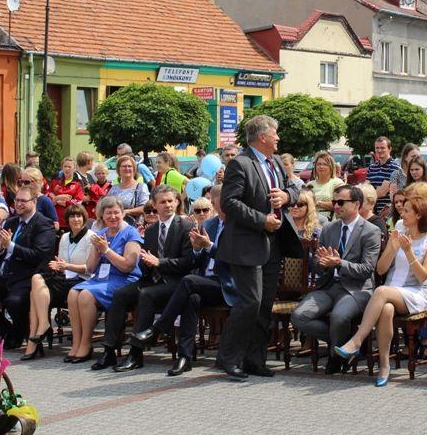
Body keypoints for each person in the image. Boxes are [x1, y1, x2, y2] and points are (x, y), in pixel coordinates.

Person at [216, 115, 302, 381]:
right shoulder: (240, 164)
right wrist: (261, 220)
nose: (278, 138)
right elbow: (229, 203)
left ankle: (255, 360)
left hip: (273, 244)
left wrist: (287, 196)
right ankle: (228, 358)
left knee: (264, 305)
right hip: (246, 244)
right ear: (262, 136)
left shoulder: (275, 162)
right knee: (249, 302)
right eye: (275, 133)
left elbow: (293, 189)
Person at [335, 194, 427, 385]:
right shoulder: (399, 235)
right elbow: (381, 269)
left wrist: (409, 252)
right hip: (391, 292)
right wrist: (392, 248)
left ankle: (357, 340)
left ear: (418, 215)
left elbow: (423, 276)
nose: (402, 212)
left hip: (416, 293)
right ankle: (384, 365)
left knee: (381, 291)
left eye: (407, 210)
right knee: (386, 309)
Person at [131, 184, 236, 376]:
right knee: (191, 299)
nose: (216, 205)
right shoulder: (209, 225)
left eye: (218, 202)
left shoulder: (238, 227)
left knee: (187, 281)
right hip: (204, 282)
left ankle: (158, 328)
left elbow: (233, 259)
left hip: (226, 284)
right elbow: (195, 259)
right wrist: (197, 248)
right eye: (215, 201)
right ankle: (184, 357)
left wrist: (209, 246)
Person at [103, 185, 195, 372]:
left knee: (146, 295)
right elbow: (147, 264)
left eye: (171, 201)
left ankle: (135, 353)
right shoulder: (151, 230)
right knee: (121, 294)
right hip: (152, 279)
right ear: (154, 204)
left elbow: (188, 262)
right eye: (163, 202)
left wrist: (160, 262)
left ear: (177, 201)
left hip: (176, 282)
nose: (168, 205)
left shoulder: (186, 226)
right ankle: (109, 350)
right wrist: (143, 261)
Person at [291, 185, 381, 375]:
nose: (336, 206)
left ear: (356, 204)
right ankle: (345, 341)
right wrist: (323, 263)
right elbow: (316, 265)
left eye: (341, 202)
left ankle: (335, 356)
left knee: (339, 317)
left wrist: (339, 263)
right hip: (329, 286)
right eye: (334, 202)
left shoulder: (370, 231)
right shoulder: (328, 229)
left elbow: (366, 270)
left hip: (356, 289)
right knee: (299, 316)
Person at [0, 186, 55, 349]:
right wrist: (0, 246)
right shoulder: (12, 222)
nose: (18, 204)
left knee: (13, 302)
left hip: (26, 276)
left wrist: (11, 246)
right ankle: (8, 332)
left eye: (23, 201)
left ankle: (21, 334)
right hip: (3, 275)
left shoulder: (44, 224)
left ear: (34, 202)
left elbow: (38, 256)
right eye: (16, 200)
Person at [65, 196, 143, 364]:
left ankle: (86, 344)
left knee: (85, 295)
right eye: (109, 213)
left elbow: (127, 266)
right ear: (102, 216)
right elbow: (91, 268)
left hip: (123, 279)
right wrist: (96, 249)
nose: (113, 217)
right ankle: (77, 342)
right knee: (73, 293)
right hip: (100, 278)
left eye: (116, 213)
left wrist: (106, 250)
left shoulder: (131, 233)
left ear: (123, 213)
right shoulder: (100, 234)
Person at [22, 204, 92, 360]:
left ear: (84, 218)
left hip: (81, 280)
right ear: (67, 220)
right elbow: (61, 262)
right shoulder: (65, 237)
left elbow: (90, 268)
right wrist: (59, 266)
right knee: (36, 279)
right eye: (72, 216)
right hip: (65, 278)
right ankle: (44, 324)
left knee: (35, 294)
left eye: (79, 216)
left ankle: (34, 341)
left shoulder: (90, 237)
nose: (76, 219)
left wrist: (67, 266)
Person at [107, 155, 150, 225]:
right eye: (124, 166)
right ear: (118, 169)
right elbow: (106, 206)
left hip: (134, 227)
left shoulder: (141, 187)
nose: (127, 168)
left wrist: (127, 211)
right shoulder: (114, 188)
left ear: (134, 169)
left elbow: (145, 208)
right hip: (115, 226)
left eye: (129, 166)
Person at [48, 157, 85, 233]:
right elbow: (48, 197)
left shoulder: (78, 184)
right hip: (55, 220)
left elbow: (78, 202)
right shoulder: (55, 182)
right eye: (65, 166)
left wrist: (58, 201)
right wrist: (58, 198)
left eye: (69, 167)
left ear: (74, 169)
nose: (67, 169)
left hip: (69, 221)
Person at [367, 137, 402, 217]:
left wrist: (368, 195)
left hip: (387, 214)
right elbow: (366, 187)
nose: (379, 150)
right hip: (372, 213)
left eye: (382, 148)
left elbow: (382, 192)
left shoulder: (395, 167)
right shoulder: (372, 167)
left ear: (390, 149)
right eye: (377, 148)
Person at [306, 151, 344, 221]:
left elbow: (341, 205)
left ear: (331, 166)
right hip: (311, 222)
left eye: (325, 164)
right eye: (319, 164)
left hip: (330, 223)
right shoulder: (309, 184)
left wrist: (318, 203)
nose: (321, 167)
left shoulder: (337, 183)